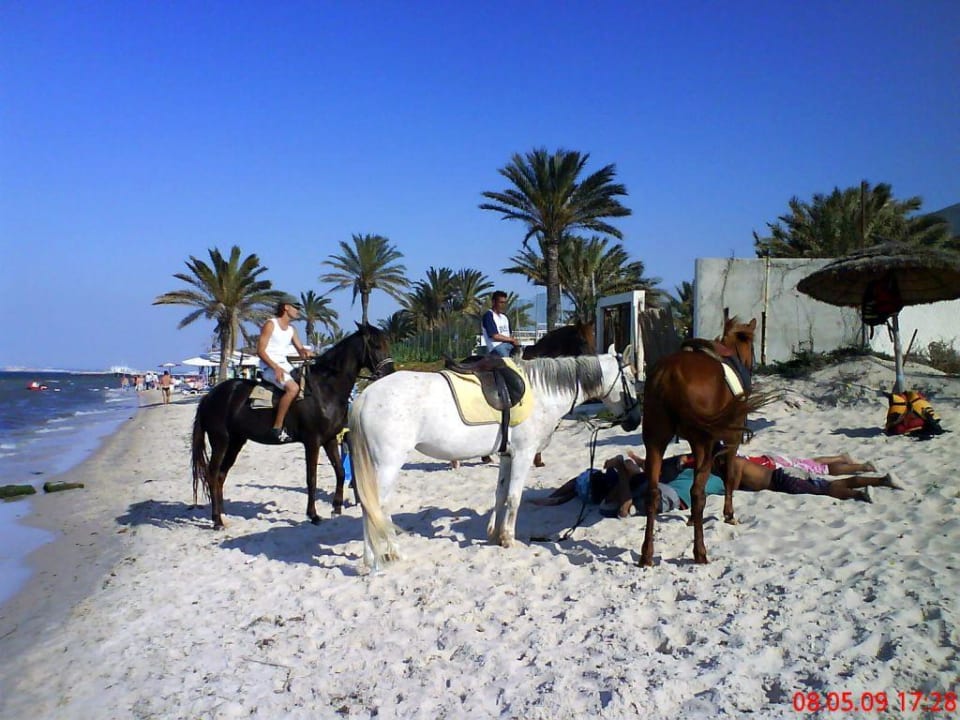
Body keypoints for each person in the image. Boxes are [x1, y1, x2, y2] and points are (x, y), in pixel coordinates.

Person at [716, 452, 899, 502]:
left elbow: (731, 488)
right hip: (786, 473)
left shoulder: (735, 464)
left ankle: (860, 494)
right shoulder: (740, 461)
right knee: (827, 482)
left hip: (785, 480)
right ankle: (881, 481)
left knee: (829, 489)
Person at [257, 298, 311, 442]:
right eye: (296, 307)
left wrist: (306, 352)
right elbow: (260, 351)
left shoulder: (292, 329)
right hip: (269, 367)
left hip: (285, 366)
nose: (298, 311)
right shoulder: (271, 324)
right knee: (293, 389)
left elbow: (300, 348)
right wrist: (275, 367)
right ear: (286, 307)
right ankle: (277, 428)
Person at [741, 452, 876, 476]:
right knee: (809, 463)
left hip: (773, 465)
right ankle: (840, 457)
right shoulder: (737, 455)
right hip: (771, 459)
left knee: (821, 469)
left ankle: (862, 467)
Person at [481, 290, 521, 357]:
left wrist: (515, 343)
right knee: (509, 365)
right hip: (497, 347)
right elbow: (495, 336)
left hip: (509, 346)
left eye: (505, 303)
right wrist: (512, 340)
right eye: (501, 302)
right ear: (494, 302)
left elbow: (509, 335)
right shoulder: (489, 315)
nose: (503, 305)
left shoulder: (505, 317)